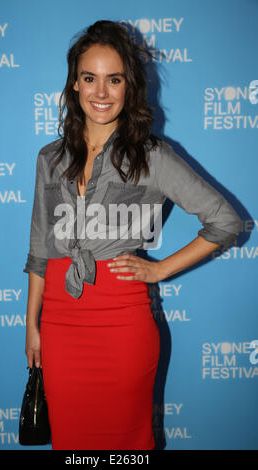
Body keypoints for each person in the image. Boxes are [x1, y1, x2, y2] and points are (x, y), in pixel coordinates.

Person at [23, 20, 242, 450]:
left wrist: (159, 270)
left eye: (114, 79)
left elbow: (225, 221)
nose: (100, 93)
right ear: (74, 84)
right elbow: (38, 250)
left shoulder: (152, 157)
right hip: (61, 325)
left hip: (122, 326)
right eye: (90, 78)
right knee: (71, 445)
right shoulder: (49, 158)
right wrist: (32, 325)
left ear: (129, 87)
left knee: (126, 447)